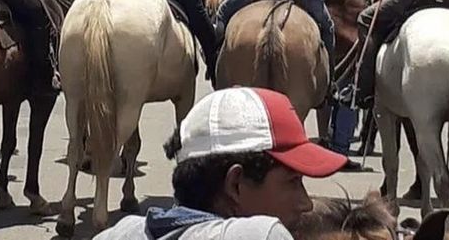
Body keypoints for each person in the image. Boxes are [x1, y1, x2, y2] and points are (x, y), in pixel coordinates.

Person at [93, 87, 347, 239]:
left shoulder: (119, 233)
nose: (306, 203)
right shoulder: (261, 234)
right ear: (235, 184)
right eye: (293, 181)